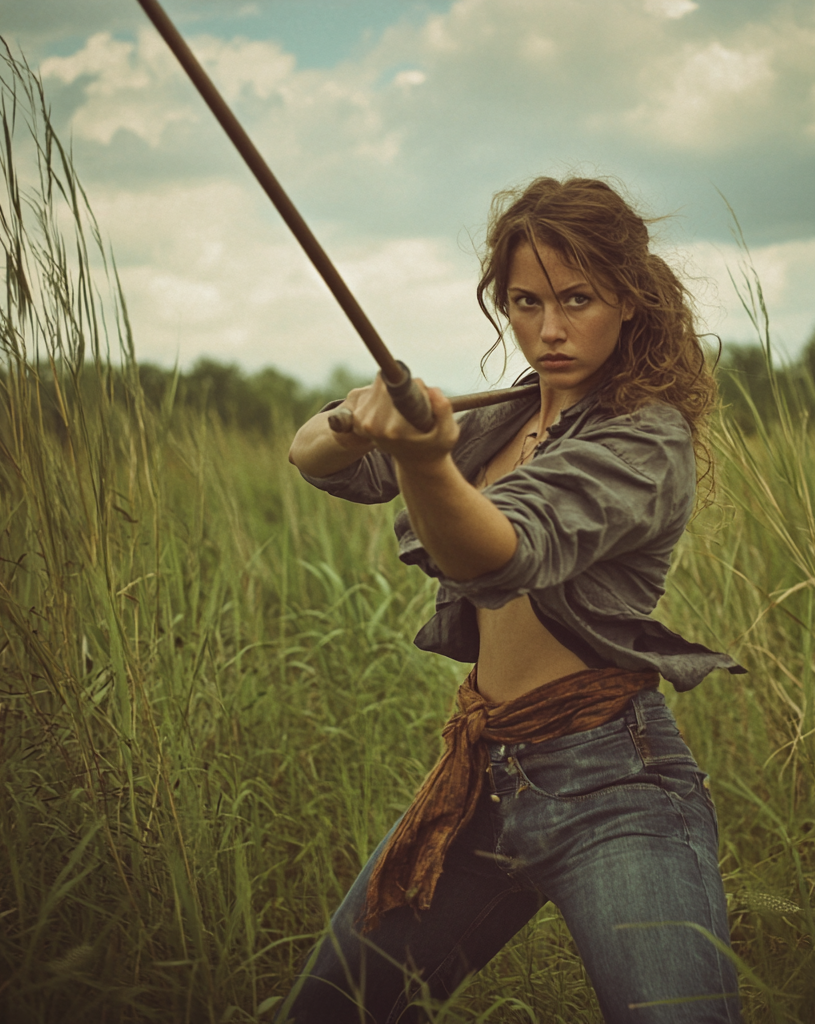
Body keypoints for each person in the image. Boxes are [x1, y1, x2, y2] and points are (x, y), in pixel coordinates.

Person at [280, 176, 745, 1024]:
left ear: (632, 302)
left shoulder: (646, 437)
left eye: (579, 299)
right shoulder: (498, 416)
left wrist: (423, 460)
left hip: (614, 783)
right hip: (487, 776)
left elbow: (498, 553)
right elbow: (313, 456)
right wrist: (362, 421)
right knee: (328, 1011)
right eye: (526, 301)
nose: (550, 329)